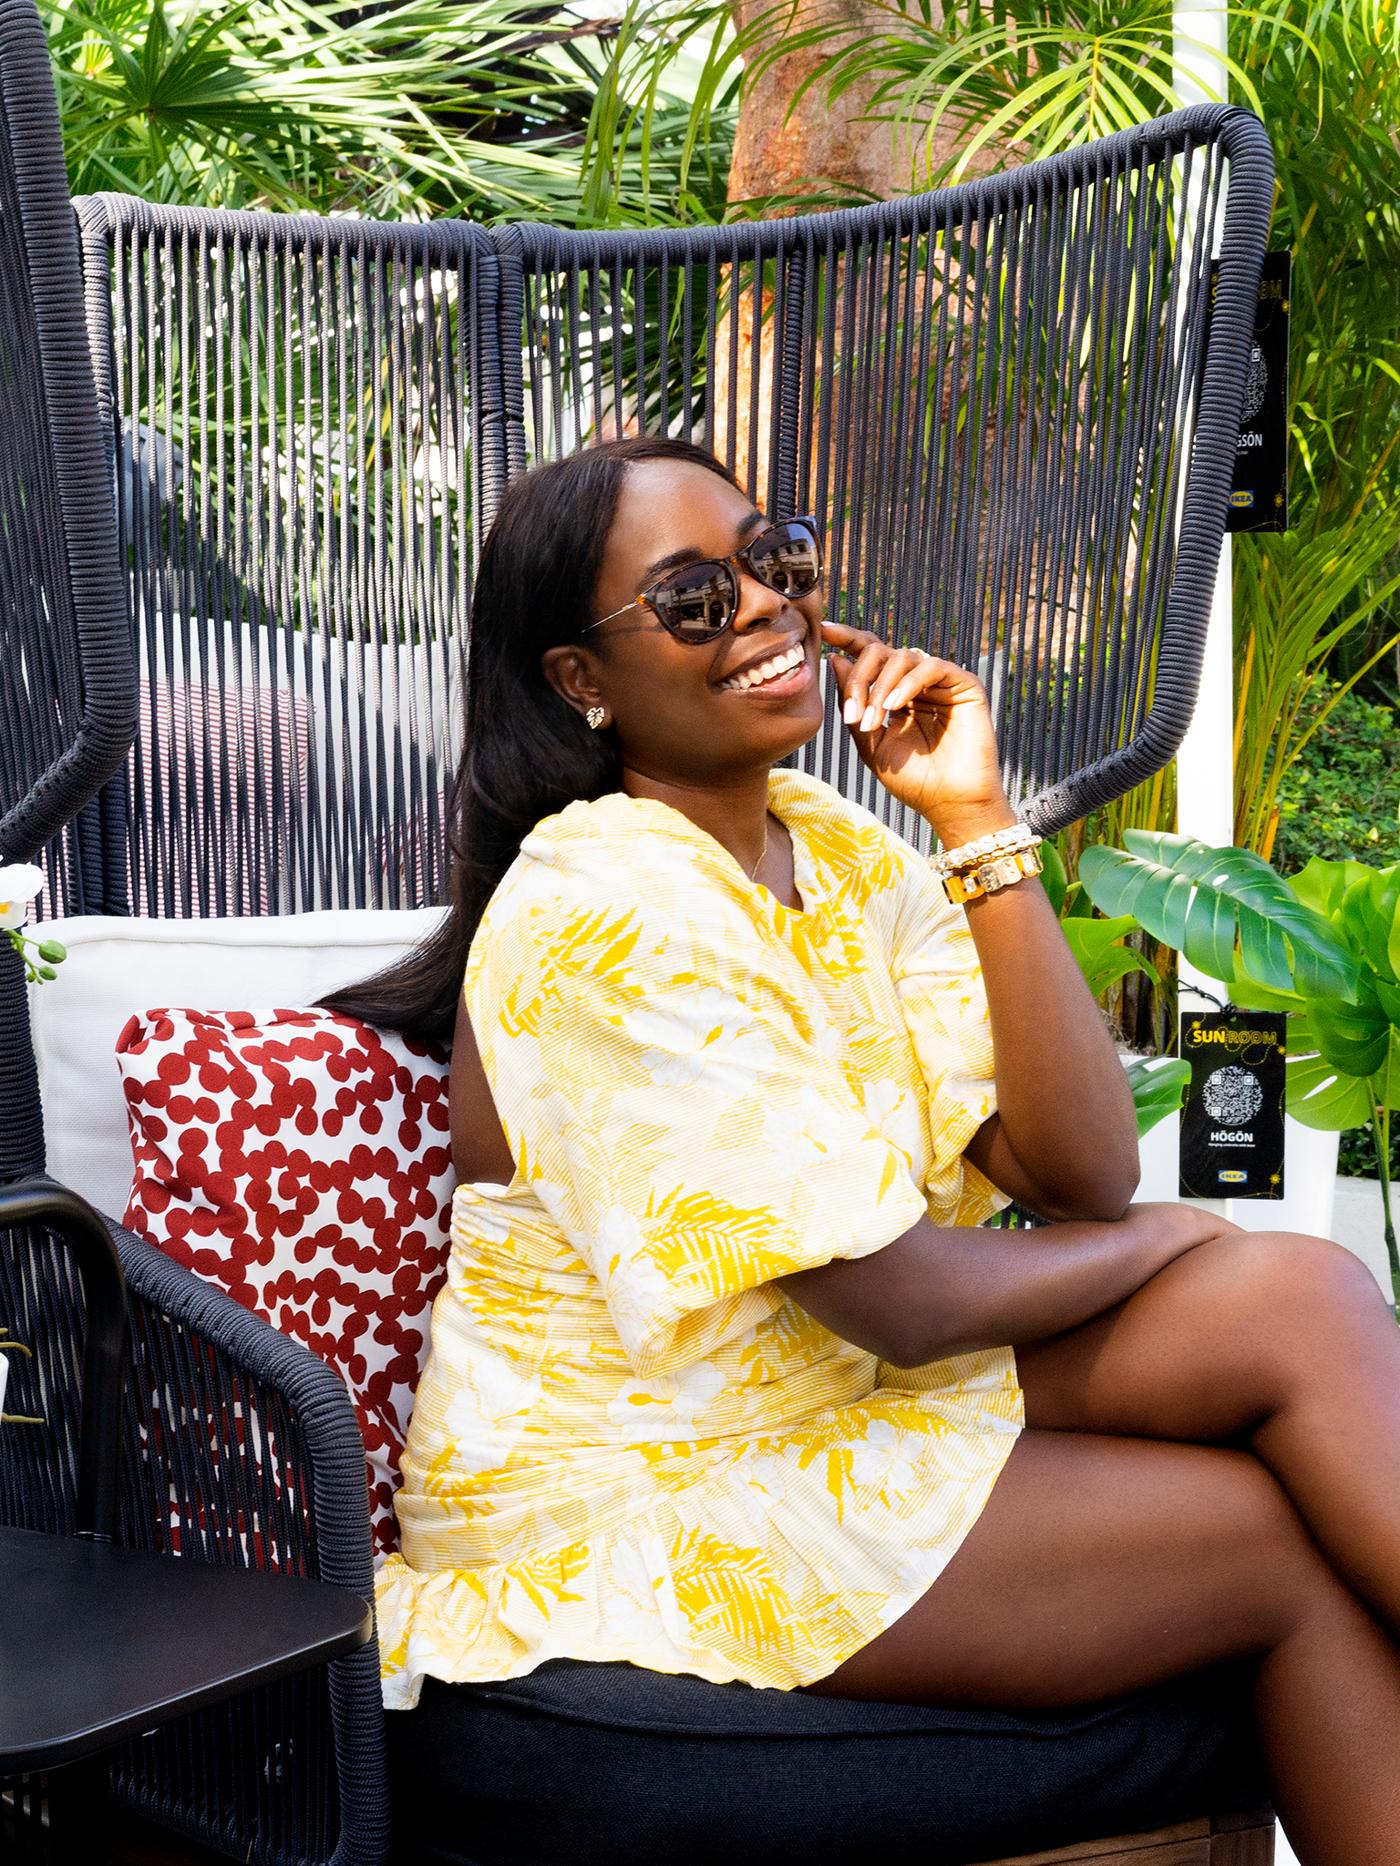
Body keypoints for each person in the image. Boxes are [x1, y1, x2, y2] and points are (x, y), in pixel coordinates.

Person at [328, 433, 1400, 1866]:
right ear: (582, 682)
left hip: (850, 1398)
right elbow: (894, 1290)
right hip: (646, 1484)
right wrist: (1168, 1240)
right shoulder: (596, 902)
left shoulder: (828, 844)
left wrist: (975, 821)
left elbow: (1077, 1169)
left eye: (774, 560)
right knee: (1273, 1543)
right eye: (694, 599)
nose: (765, 608)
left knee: (1299, 1295)